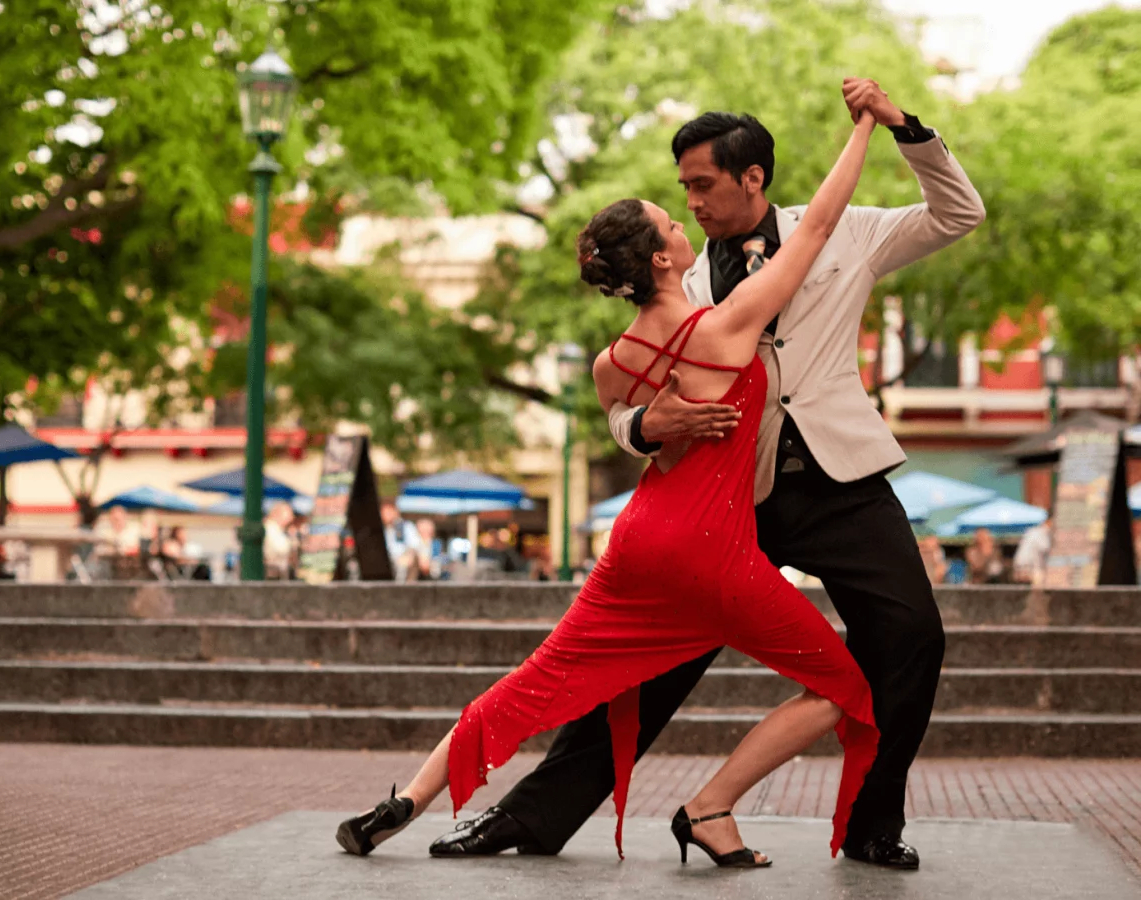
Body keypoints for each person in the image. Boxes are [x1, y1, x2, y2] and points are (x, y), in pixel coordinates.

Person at [432, 78, 984, 871]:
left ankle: (871, 824)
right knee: (649, 657)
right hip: (725, 500)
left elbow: (959, 213)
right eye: (681, 187)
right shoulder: (677, 278)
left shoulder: (845, 232)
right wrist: (644, 427)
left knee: (911, 637)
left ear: (751, 177)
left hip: (843, 481)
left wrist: (906, 129)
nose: (688, 201)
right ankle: (533, 816)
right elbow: (626, 400)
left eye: (702, 183)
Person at [337, 101, 881, 868]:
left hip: (635, 545)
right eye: (670, 221)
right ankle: (710, 807)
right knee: (843, 687)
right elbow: (819, 226)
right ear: (661, 259)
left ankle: (405, 801)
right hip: (712, 553)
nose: (682, 218)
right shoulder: (727, 329)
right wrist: (864, 128)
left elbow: (634, 434)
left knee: (537, 679)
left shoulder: (611, 364)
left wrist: (649, 426)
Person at [381, 500, 423, 582]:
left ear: (395, 511)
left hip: (403, 562)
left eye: (388, 512)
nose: (385, 515)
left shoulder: (406, 527)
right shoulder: (383, 529)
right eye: (383, 512)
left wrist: (407, 556)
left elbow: (415, 545)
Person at [263, 502, 296, 579]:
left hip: (277, 572)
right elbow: (281, 549)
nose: (291, 518)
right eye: (289, 514)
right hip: (272, 574)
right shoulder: (271, 529)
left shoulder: (278, 529)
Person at [1012, 520, 1051, 584]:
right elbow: (1045, 548)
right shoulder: (1042, 532)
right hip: (1029, 566)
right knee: (1039, 577)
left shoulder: (1031, 531)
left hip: (1019, 565)